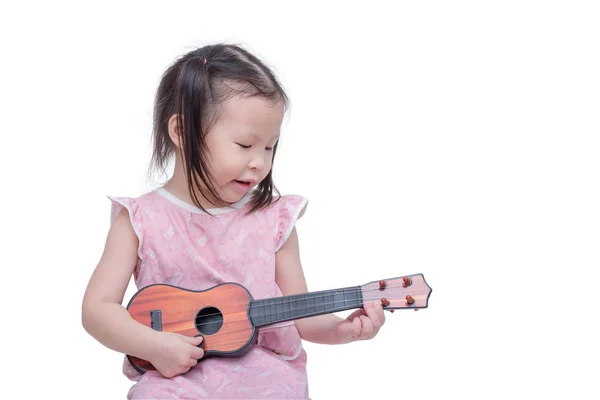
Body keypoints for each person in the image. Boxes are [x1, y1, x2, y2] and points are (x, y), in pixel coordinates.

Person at [82, 43, 386, 399]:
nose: (260, 162)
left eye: (270, 147)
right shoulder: (139, 220)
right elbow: (97, 309)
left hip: (262, 373)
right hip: (175, 374)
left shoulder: (274, 219)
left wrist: (341, 330)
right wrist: (154, 346)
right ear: (182, 132)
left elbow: (300, 311)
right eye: (244, 145)